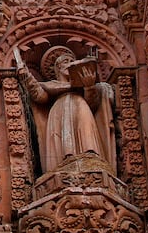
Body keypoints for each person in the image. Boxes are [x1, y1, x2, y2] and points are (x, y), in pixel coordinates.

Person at [18, 45, 116, 174]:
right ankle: (64, 164)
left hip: (80, 105)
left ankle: (90, 157)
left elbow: (93, 104)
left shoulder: (81, 89)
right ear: (58, 68)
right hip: (59, 111)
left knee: (85, 128)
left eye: (72, 61)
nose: (70, 64)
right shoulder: (51, 86)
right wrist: (26, 76)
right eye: (66, 62)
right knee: (63, 138)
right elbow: (39, 96)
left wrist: (89, 87)